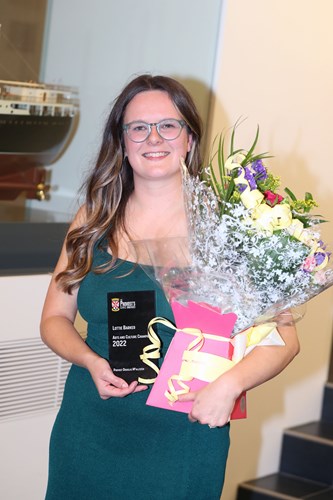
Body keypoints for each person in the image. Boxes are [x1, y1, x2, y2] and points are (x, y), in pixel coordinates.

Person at [40, 74, 300, 500]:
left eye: (168, 125)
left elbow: (284, 340)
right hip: (91, 426)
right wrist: (89, 360)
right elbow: (54, 318)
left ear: (190, 139)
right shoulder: (93, 218)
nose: (152, 138)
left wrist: (229, 387)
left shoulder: (231, 228)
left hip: (187, 431)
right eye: (138, 127)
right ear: (122, 142)